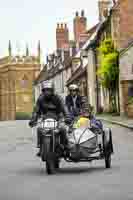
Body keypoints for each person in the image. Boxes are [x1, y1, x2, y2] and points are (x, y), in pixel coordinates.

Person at [29, 80, 71, 156]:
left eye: (49, 90)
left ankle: (65, 146)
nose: (47, 92)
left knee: (63, 129)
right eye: (45, 90)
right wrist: (33, 120)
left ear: (52, 90)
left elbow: (64, 107)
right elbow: (36, 110)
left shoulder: (58, 98)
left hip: (57, 118)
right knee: (39, 129)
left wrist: (67, 117)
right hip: (45, 119)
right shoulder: (40, 99)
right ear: (43, 91)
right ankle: (41, 146)